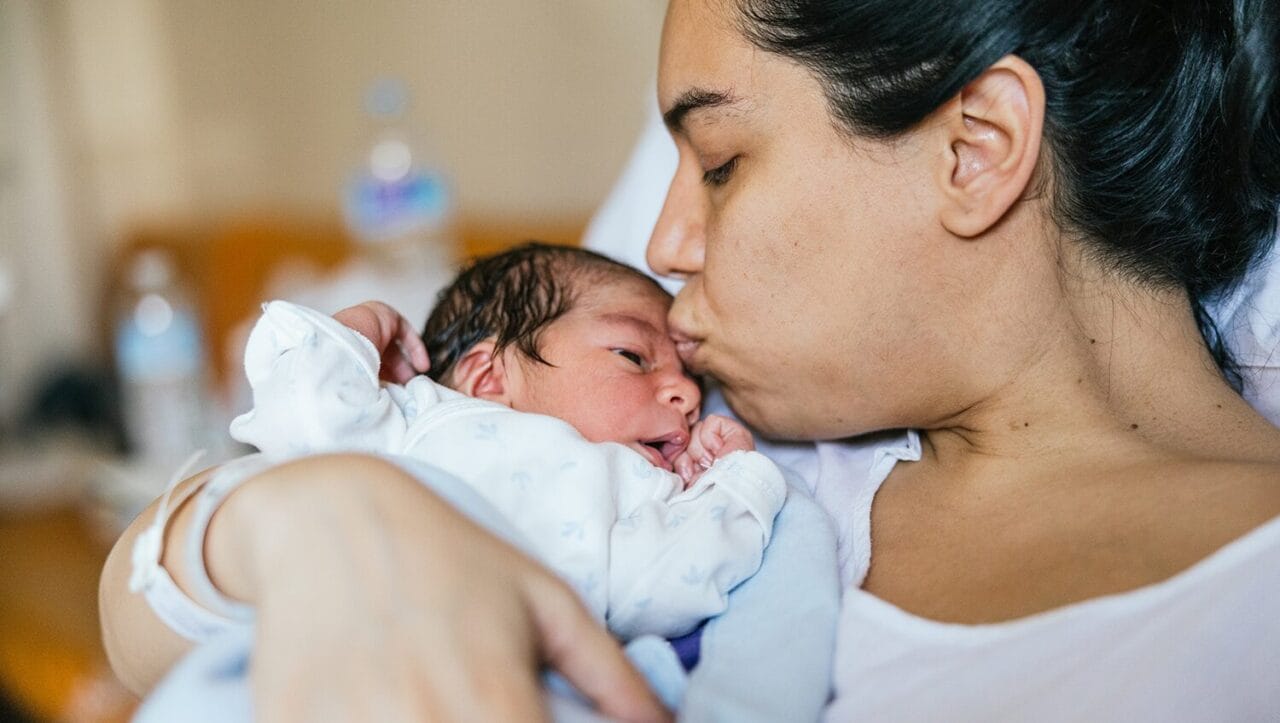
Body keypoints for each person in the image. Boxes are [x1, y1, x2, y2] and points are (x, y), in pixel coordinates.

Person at [101, 0, 1280, 720]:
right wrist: (325, 520)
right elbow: (140, 626)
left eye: (717, 163)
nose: (663, 245)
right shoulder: (728, 444)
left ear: (975, 151)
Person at [228, 244, 786, 646]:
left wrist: (727, 483)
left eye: (694, 382)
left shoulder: (645, 488)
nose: (687, 393)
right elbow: (299, 422)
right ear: (488, 378)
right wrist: (355, 331)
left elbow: (660, 587)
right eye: (634, 357)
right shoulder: (420, 422)